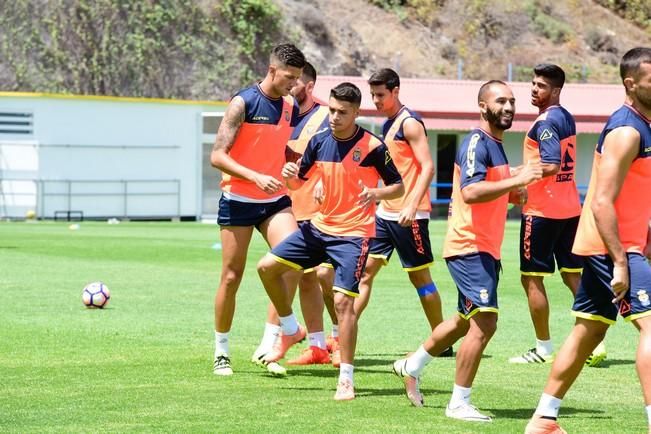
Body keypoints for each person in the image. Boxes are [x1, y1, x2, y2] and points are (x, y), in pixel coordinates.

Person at [392, 80, 542, 421]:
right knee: (485, 322)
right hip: (468, 245)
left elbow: (489, 191)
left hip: (485, 247)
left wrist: (514, 192)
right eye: (500, 101)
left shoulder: (497, 146)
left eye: (512, 101)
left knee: (463, 322)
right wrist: (518, 181)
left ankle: (411, 366)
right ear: (482, 106)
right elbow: (472, 191)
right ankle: (458, 402)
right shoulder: (477, 141)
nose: (508, 107)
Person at [525, 47, 651, 434]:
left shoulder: (644, 125)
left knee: (589, 330)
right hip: (614, 248)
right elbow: (600, 201)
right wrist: (619, 261)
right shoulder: (627, 130)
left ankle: (544, 419)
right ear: (631, 84)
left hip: (619, 245)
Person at [257, 82, 404, 400]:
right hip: (318, 229)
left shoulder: (373, 147)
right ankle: (291, 327)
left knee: (342, 302)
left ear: (356, 113)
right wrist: (289, 174)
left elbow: (399, 186)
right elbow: (300, 181)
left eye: (343, 112)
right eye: (332, 110)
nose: (335, 117)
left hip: (353, 235)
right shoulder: (319, 142)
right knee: (266, 267)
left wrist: (375, 193)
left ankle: (347, 379)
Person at [210, 43, 305, 376]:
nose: (292, 84)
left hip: (274, 201)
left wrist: (294, 164)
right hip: (238, 199)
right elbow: (218, 156)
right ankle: (221, 351)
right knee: (231, 277)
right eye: (288, 77)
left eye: (296, 79)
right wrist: (255, 176)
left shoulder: (291, 105)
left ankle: (271, 342)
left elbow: (280, 148)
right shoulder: (243, 103)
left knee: (293, 262)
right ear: (272, 70)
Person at [509, 64, 606, 365]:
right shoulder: (566, 117)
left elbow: (550, 164)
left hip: (542, 212)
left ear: (556, 90)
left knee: (532, 280)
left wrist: (516, 175)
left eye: (540, 85)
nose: (534, 89)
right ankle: (595, 343)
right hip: (569, 209)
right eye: (533, 84)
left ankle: (543, 348)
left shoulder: (546, 122)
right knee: (572, 274)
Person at [353, 68, 448, 352]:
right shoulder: (388, 124)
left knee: (420, 279)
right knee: (365, 272)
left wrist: (411, 204)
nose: (376, 100)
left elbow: (428, 167)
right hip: (385, 213)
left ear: (395, 91)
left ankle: (442, 340)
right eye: (373, 95)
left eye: (380, 95)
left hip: (411, 215)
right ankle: (341, 334)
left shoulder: (410, 123)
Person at [264, 61, 334, 366]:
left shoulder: (324, 116)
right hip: (293, 207)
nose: (290, 86)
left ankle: (340, 339)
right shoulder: (283, 114)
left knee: (328, 278)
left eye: (295, 82)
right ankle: (317, 346)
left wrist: (325, 184)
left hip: (325, 210)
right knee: (306, 278)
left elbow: (340, 156)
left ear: (309, 86)